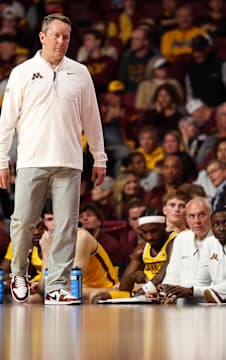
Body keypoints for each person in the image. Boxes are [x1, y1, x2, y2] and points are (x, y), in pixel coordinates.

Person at [0, 13, 107, 304]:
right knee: (23, 221)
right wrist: (1, 161)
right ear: (42, 37)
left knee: (65, 226)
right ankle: (19, 273)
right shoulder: (22, 72)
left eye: (66, 37)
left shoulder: (80, 72)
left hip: (70, 161)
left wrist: (100, 157)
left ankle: (57, 286)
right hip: (31, 159)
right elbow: (6, 121)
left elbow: (93, 119)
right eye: (56, 36)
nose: (61, 42)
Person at [159, 207, 226, 302]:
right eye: (216, 224)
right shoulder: (209, 243)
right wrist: (172, 294)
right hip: (219, 300)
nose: (221, 228)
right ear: (211, 226)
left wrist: (192, 291)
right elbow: (201, 282)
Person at [161, 197, 212, 288]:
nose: (197, 221)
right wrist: (164, 292)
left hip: (210, 299)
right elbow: (172, 275)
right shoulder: (181, 238)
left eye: (202, 215)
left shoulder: (220, 239)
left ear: (211, 215)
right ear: (186, 219)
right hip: (182, 298)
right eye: (192, 216)